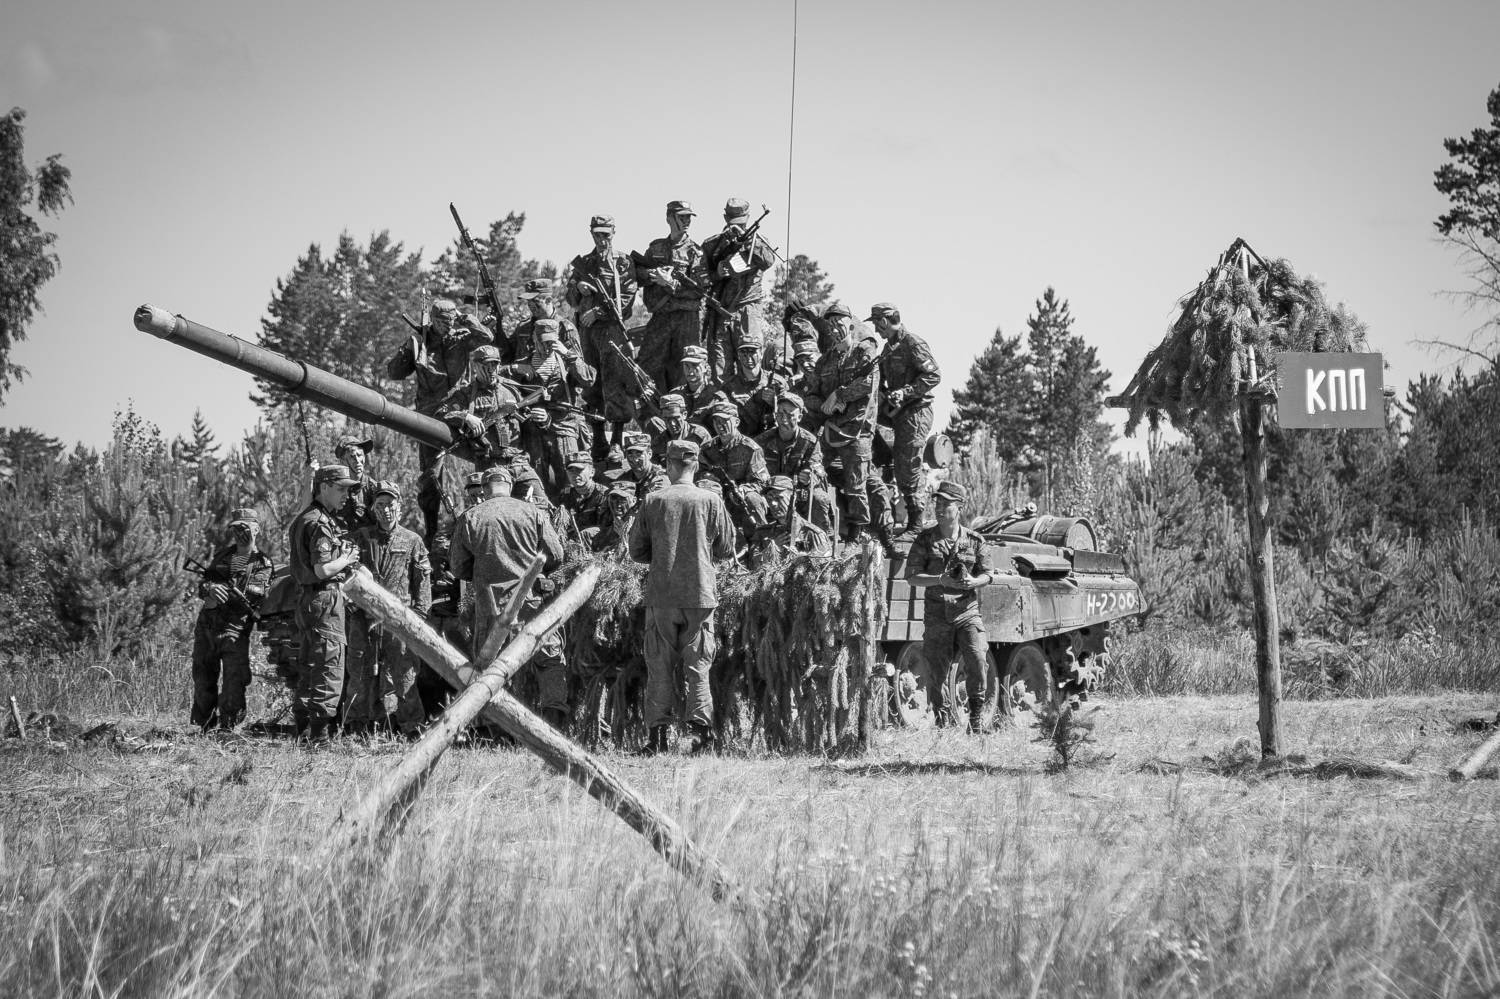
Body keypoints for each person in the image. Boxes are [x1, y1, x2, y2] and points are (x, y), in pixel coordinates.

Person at [628, 439, 735, 754]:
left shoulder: (653, 500)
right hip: (700, 594)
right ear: (696, 465)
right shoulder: (711, 500)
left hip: (661, 594)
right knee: (699, 666)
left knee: (659, 666)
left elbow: (636, 551)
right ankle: (700, 736)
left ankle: (658, 739)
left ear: (668, 466)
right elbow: (726, 548)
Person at [449, 466, 569, 729]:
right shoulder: (532, 512)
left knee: (490, 667)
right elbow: (556, 554)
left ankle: (497, 728)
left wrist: (484, 572)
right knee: (548, 658)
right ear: (510, 486)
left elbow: (458, 567)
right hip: (530, 603)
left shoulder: (471, 517)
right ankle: (554, 721)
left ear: (484, 488)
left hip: (490, 605)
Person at [385, 297, 494, 543]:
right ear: (433, 320)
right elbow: (394, 373)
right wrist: (411, 349)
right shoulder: (419, 342)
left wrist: (468, 320)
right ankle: (432, 533)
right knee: (431, 478)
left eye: (452, 320)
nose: (449, 325)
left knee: (488, 458)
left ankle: (489, 518)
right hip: (431, 417)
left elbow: (487, 338)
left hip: (463, 412)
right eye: (444, 321)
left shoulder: (462, 337)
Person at [902, 481, 993, 732]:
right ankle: (943, 722)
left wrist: (973, 581)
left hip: (967, 611)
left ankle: (976, 719)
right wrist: (940, 580)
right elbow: (911, 577)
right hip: (937, 614)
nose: (939, 508)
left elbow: (988, 574)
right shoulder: (925, 539)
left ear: (960, 507)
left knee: (977, 658)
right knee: (936, 672)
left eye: (946, 504)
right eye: (937, 503)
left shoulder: (974, 540)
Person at [346, 481, 432, 736]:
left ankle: (412, 728)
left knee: (405, 675)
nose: (385, 510)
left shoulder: (412, 540)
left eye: (390, 504)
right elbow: (345, 573)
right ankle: (357, 727)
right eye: (380, 504)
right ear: (373, 508)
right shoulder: (360, 538)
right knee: (360, 674)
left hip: (399, 620)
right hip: (363, 618)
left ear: (399, 507)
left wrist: (418, 618)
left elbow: (422, 582)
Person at [802, 303, 886, 546]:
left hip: (858, 430)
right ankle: (822, 529)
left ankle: (856, 536)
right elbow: (811, 395)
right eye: (830, 325)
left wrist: (839, 395)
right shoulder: (825, 361)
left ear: (850, 326)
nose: (835, 329)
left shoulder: (864, 352)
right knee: (812, 472)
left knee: (857, 485)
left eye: (839, 324)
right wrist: (824, 405)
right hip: (831, 429)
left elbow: (869, 384)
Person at [289, 464, 362, 741]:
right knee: (329, 667)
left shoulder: (305, 517)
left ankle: (302, 731)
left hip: (307, 599)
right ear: (323, 488)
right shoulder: (320, 523)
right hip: (324, 598)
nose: (346, 495)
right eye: (341, 488)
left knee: (309, 665)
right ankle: (318, 737)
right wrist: (346, 559)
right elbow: (322, 570)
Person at [566, 214, 641, 464]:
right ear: (591, 234)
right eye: (597, 234)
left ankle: (617, 441)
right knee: (591, 383)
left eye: (606, 234)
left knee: (616, 383)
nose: (602, 239)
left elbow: (627, 298)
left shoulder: (623, 262)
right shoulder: (584, 263)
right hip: (587, 334)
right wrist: (578, 289)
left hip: (612, 331)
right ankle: (598, 439)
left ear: (613, 233)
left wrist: (597, 312)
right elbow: (570, 299)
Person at [189, 507, 273, 731]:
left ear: (256, 529)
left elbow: (256, 594)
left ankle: (228, 727)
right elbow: (204, 584)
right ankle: (204, 724)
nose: (239, 534)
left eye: (244, 528)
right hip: (208, 625)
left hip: (235, 628)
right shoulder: (223, 556)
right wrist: (210, 589)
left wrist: (227, 590)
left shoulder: (262, 563)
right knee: (203, 677)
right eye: (235, 529)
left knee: (234, 681)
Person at [501, 312, 595, 501]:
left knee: (570, 480)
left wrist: (568, 354)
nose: (547, 347)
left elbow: (588, 379)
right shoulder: (523, 363)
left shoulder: (566, 362)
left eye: (551, 342)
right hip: (534, 431)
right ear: (534, 340)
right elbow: (495, 378)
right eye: (542, 342)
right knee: (537, 482)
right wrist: (514, 369)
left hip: (564, 427)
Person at [871, 303, 941, 532]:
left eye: (876, 324)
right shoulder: (888, 348)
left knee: (909, 466)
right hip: (898, 413)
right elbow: (879, 377)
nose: (876, 330)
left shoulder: (913, 343)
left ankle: (915, 524)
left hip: (917, 412)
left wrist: (905, 392)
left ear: (884, 321)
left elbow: (933, 375)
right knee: (898, 462)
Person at [632, 199, 707, 392]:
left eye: (689, 217)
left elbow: (699, 291)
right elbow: (637, 274)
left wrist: (670, 283)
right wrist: (650, 275)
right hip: (661, 317)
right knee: (646, 367)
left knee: (686, 370)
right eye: (682, 217)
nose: (687, 221)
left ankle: (682, 408)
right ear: (669, 218)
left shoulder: (695, 252)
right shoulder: (656, 248)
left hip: (687, 320)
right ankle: (651, 408)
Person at [701, 197, 777, 380]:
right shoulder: (712, 244)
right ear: (725, 218)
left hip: (747, 311)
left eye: (742, 222)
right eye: (733, 222)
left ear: (748, 218)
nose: (737, 226)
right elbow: (700, 277)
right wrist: (717, 273)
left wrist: (748, 240)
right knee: (720, 370)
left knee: (751, 366)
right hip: (720, 313)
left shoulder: (759, 242)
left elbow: (768, 260)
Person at [755, 391, 836, 532]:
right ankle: (760, 538)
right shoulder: (762, 441)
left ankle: (819, 539)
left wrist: (810, 478)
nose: (784, 419)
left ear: (800, 417)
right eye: (780, 413)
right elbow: (753, 470)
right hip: (770, 492)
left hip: (797, 492)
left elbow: (819, 471)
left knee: (819, 497)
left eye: (790, 415)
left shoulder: (810, 442)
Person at [436, 345, 522, 472]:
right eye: (486, 365)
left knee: (536, 486)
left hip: (518, 461)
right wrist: (466, 417)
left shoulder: (511, 390)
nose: (491, 370)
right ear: (475, 366)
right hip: (490, 463)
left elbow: (529, 417)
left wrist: (543, 419)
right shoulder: (466, 393)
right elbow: (441, 413)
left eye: (495, 364)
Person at [700, 398, 770, 535]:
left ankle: (761, 540)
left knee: (753, 499)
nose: (720, 426)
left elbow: (762, 481)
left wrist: (743, 489)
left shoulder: (750, 448)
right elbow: (698, 473)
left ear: (736, 422)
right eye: (716, 421)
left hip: (741, 499)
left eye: (725, 421)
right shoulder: (707, 449)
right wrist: (706, 479)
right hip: (717, 496)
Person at [747, 476, 830, 564]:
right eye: (769, 499)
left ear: (793, 498)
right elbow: (752, 565)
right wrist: (773, 548)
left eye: (778, 498)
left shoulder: (812, 534)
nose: (773, 503)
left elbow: (822, 567)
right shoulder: (762, 533)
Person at [713, 331, 781, 437]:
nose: (748, 356)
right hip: (741, 440)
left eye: (752, 352)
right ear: (738, 355)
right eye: (743, 352)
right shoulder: (728, 387)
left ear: (761, 353)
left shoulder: (777, 383)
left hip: (771, 439)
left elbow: (789, 415)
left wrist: (774, 402)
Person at [644, 392, 713, 464]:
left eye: (676, 418)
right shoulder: (659, 442)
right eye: (667, 419)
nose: (672, 423)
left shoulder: (699, 435)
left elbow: (712, 463)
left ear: (684, 414)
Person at [331, 434, 379, 534]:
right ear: (342, 461)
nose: (357, 460)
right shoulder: (334, 488)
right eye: (352, 456)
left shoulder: (373, 488)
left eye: (360, 455)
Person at [668, 345, 716, 425]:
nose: (690, 370)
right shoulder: (675, 395)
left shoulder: (715, 395)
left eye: (694, 365)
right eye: (686, 365)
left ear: (705, 367)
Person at [621, 432, 670, 500]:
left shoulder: (660, 478)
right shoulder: (625, 478)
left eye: (639, 455)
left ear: (649, 454)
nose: (635, 460)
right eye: (630, 455)